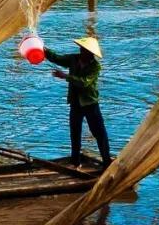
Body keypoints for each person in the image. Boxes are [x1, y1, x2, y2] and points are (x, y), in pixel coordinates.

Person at [44, 36, 112, 167]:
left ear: (90, 53)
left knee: (98, 132)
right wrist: (45, 50)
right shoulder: (73, 59)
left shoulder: (95, 67)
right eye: (81, 49)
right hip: (75, 102)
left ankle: (106, 161)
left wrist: (65, 76)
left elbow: (84, 83)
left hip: (90, 103)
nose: (81, 51)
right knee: (75, 132)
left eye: (84, 50)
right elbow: (57, 58)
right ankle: (75, 161)